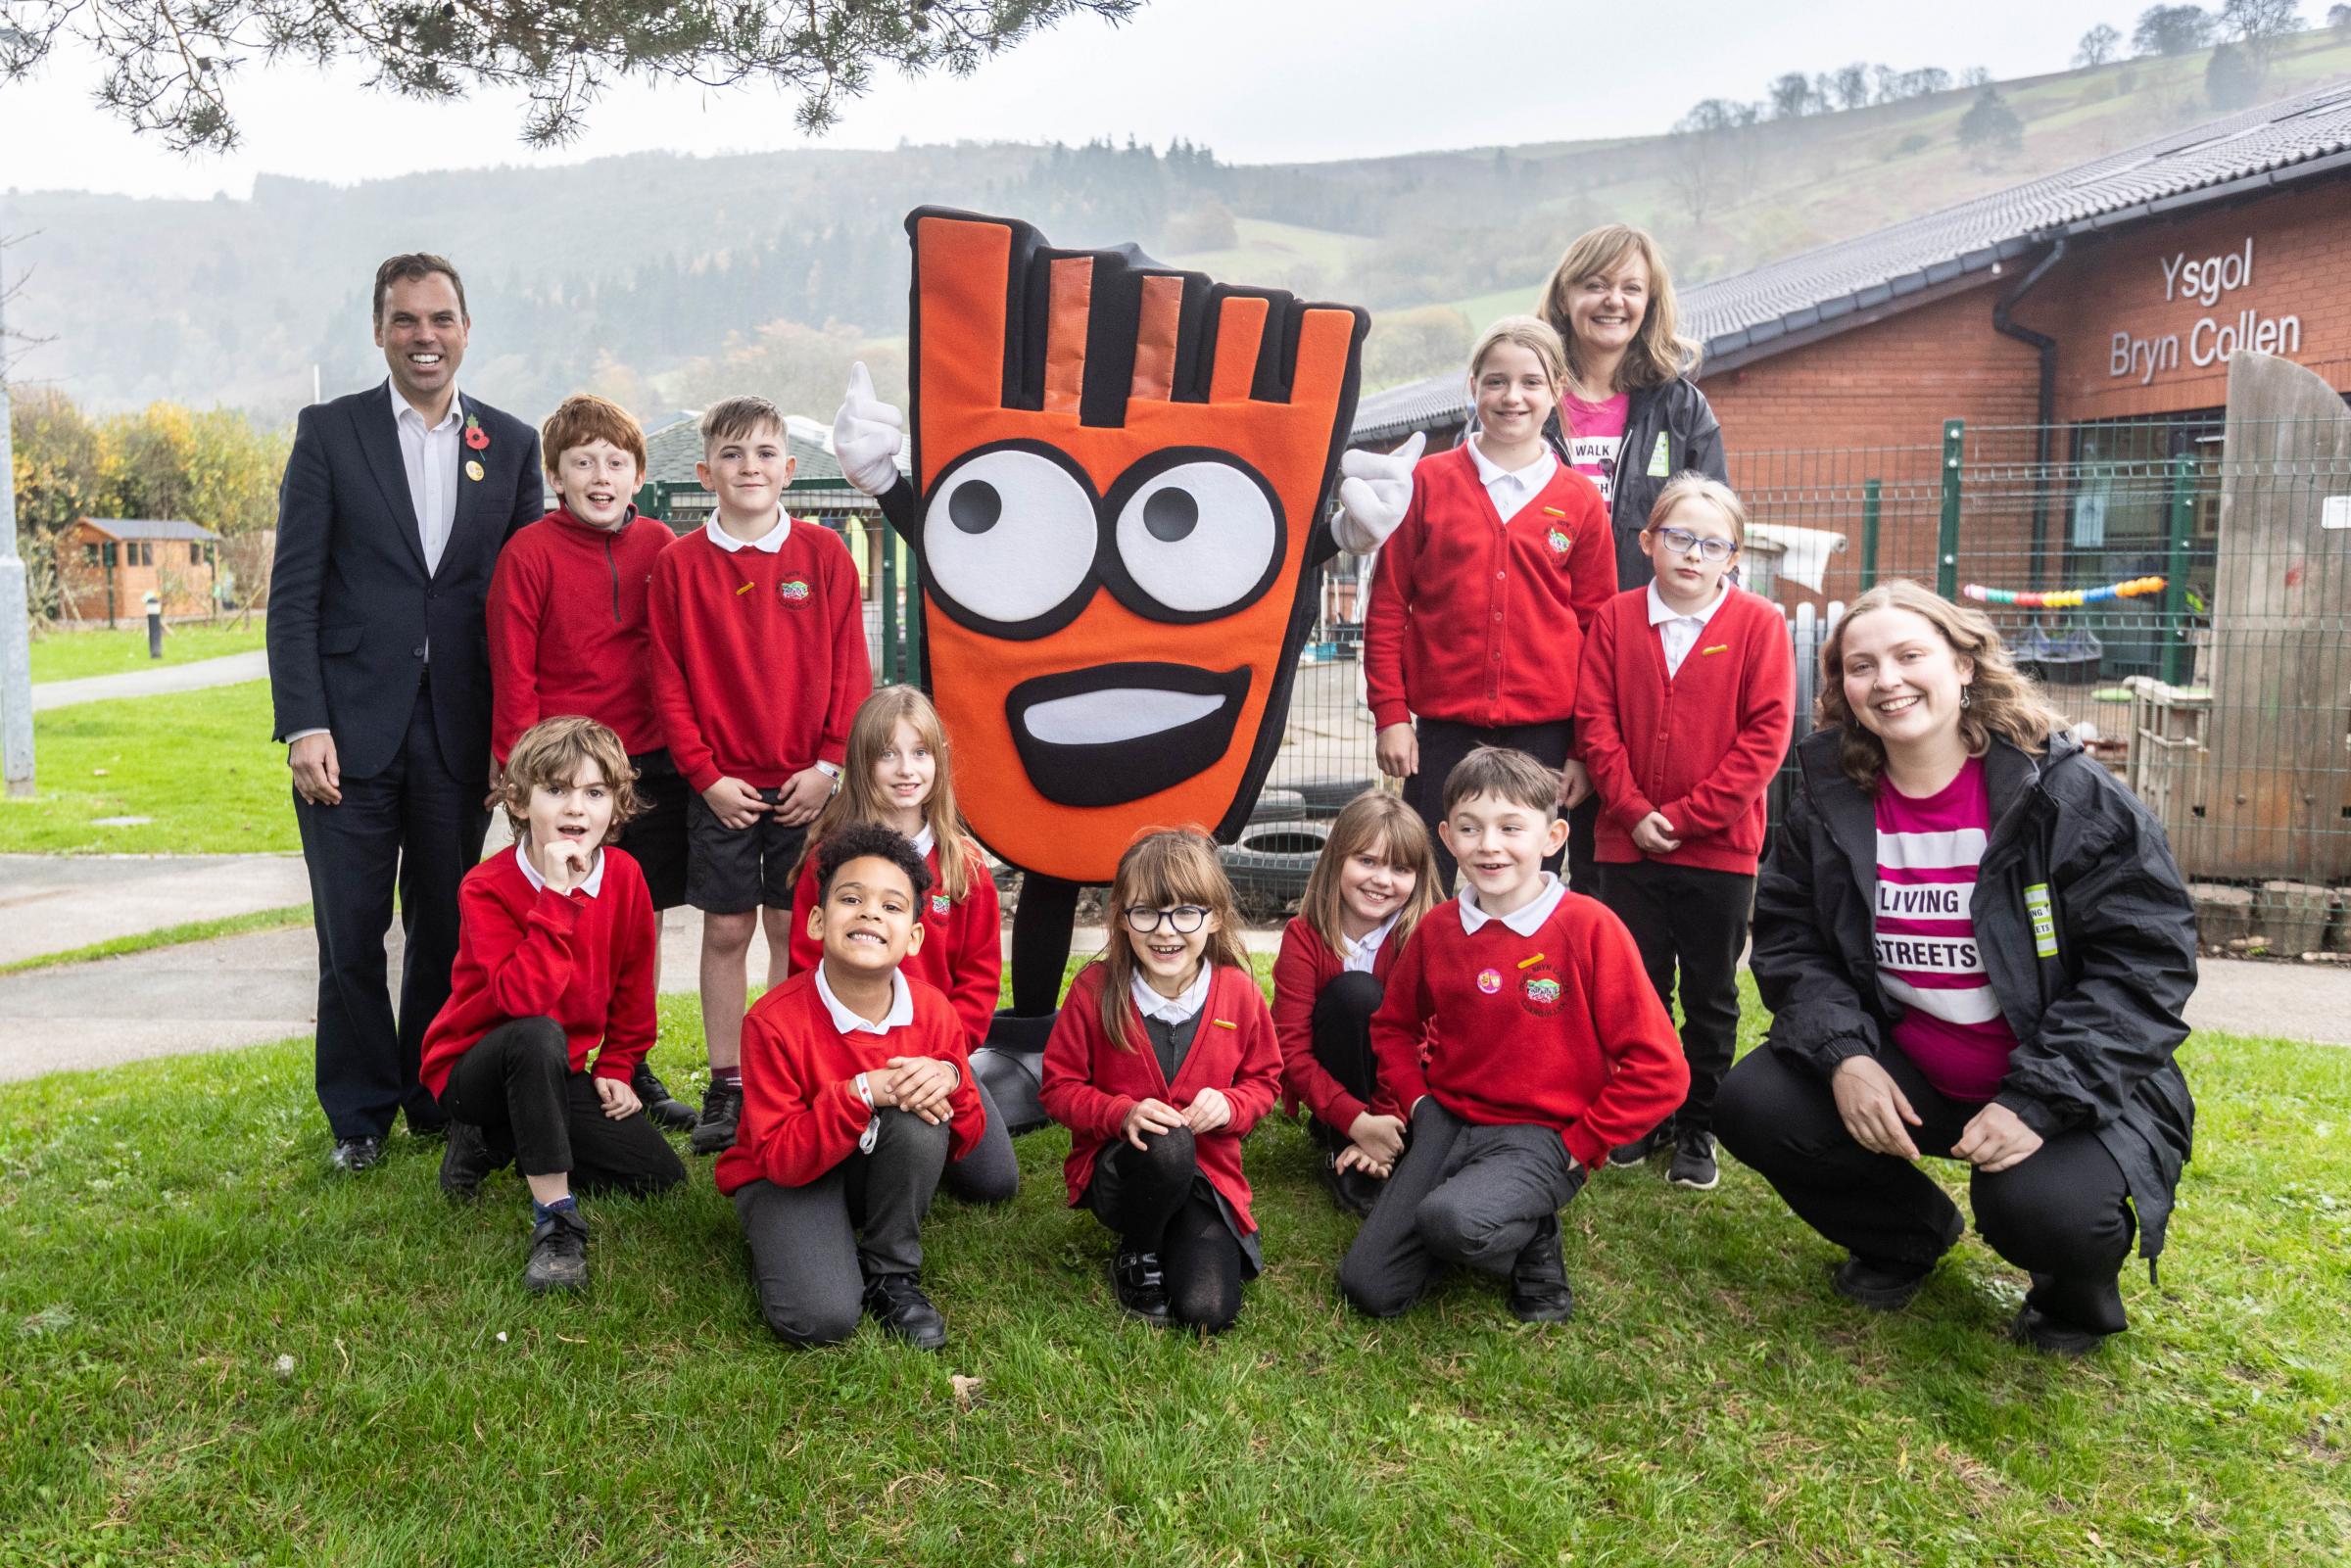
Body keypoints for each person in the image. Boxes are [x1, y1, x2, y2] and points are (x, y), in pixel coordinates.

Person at [1714, 580, 2196, 1356]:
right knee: (1753, 1101)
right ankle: (1906, 1237)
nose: (1888, 681)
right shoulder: (1830, 796)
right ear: (1843, 688)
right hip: (1917, 1068)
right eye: (1862, 666)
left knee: (2041, 1206)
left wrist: (2038, 1101)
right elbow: (1790, 940)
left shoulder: (2065, 794)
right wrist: (1847, 1056)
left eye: (1911, 655)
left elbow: (2143, 967)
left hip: (2061, 1081)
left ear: (1965, 663)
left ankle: (2071, 1299)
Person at [267, 252, 544, 1173]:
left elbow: (522, 605)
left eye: (441, 319)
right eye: (406, 320)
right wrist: (304, 722)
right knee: (349, 934)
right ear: (379, 330)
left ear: (466, 329)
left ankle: (434, 1095)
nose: (425, 337)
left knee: (447, 926)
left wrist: (521, 748)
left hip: (460, 733)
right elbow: (294, 591)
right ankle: (357, 1117)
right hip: (344, 733)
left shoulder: (509, 445)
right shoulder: (330, 434)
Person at [1337, 747, 1686, 1325]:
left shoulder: (1590, 928)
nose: (1489, 846)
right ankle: (1476, 1216)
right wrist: (1418, 1102)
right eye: (1470, 829)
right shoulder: (1438, 930)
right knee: (1369, 1287)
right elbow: (1393, 1027)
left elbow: (1662, 1071)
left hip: (1541, 1134)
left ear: (1552, 837)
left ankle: (1532, 1238)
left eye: (1510, 828)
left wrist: (1581, 1146)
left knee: (1452, 1222)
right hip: (1446, 1121)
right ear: (1447, 838)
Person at [648, 396, 872, 1157]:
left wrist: (830, 764)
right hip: (725, 788)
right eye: (734, 455)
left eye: (764, 453)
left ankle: (779, 1073)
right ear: (707, 470)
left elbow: (851, 668)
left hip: (807, 781)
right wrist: (706, 776)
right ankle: (727, 1083)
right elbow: (669, 682)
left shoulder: (825, 556)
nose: (750, 467)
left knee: (789, 926)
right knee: (728, 927)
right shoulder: (678, 566)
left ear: (790, 468)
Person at [1573, 475, 1793, 1192]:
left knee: (1709, 990)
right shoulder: (1614, 618)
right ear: (1648, 541)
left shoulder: (1761, 624)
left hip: (1720, 852)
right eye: (1678, 537)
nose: (1693, 555)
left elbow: (1765, 740)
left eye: (1712, 544)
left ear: (1733, 556)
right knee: (1640, 983)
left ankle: (1699, 1121)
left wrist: (1692, 816)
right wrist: (1633, 809)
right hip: (1625, 840)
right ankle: (1647, 1109)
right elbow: (1596, 722)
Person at [486, 393, 696, 1133]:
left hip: (650, 762)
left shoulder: (664, 547)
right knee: (567, 912)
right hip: (566, 776)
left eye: (615, 462)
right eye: (583, 463)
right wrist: (521, 777)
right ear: (557, 476)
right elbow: (514, 673)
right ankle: (562, 1063)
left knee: (642, 920)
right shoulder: (529, 555)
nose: (600, 476)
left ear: (637, 475)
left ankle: (631, 1063)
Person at [419, 717, 686, 1293]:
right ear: (518, 799)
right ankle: (555, 1220)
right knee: (539, 1032)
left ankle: (500, 1139)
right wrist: (557, 897)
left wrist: (617, 1065)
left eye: (594, 793)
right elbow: (522, 999)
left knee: (658, 1176)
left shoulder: (626, 876)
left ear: (616, 807)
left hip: (552, 1069)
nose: (576, 808)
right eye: (556, 790)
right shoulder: (485, 887)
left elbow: (634, 986)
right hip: (476, 1067)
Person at [1357, 315, 1616, 893]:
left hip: (1544, 738)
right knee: (1425, 884)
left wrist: (1580, 750)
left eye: (1530, 382)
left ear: (1557, 391)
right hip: (1441, 735)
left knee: (1524, 885)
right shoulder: (1426, 483)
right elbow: (1389, 607)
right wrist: (1392, 716)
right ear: (1472, 386)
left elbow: (1599, 633)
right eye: (1496, 381)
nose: (1512, 397)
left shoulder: (1580, 503)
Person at [716, 824, 986, 1351]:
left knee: (919, 1116)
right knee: (821, 1319)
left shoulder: (933, 1010)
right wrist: (860, 1091)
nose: (869, 913)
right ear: (817, 920)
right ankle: (788, 1234)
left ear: (913, 936)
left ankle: (892, 1271)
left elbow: (966, 1139)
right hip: (787, 1176)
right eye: (850, 898)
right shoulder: (772, 1022)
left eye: (891, 906)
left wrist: (949, 1080)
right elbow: (781, 1159)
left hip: (867, 1162)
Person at [1040, 828, 1283, 1334]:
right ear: (1122, 918)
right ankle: (1139, 1245)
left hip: (1205, 1179)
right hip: (1122, 1174)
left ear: (1214, 917)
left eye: (1186, 913)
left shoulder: (1238, 993)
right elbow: (1057, 1088)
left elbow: (1266, 1082)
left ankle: (1179, 1233)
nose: (1166, 931)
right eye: (1146, 912)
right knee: (1169, 1143)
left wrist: (1233, 1106)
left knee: (1207, 1310)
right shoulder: (1094, 991)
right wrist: (1120, 1112)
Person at [785, 685, 1018, 1203]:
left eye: (920, 753)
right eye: (888, 753)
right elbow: (804, 973)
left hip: (937, 1056)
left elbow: (979, 983)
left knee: (993, 1183)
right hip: (848, 1058)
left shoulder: (966, 865)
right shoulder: (829, 862)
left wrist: (943, 1065)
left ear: (940, 762)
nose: (906, 769)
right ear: (862, 765)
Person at [1271, 790, 1440, 1217]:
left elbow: (1421, 1041)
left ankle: (1387, 1145)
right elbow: (1289, 1049)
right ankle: (1343, 1143)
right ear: (1336, 860)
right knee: (1356, 994)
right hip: (1339, 1086)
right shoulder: (1304, 937)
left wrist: (1387, 1119)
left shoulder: (1422, 939)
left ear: (1418, 877)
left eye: (1400, 868)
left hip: (1402, 1091)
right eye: (1367, 861)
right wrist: (1356, 1122)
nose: (1382, 880)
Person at [1535, 224, 1729, 593]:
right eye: (1595, 285)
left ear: (1649, 304)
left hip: (1642, 625)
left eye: (1632, 288)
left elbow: (1717, 528)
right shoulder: (1522, 400)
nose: (1614, 300)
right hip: (1540, 627)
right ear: (1564, 297)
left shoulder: (1681, 409)